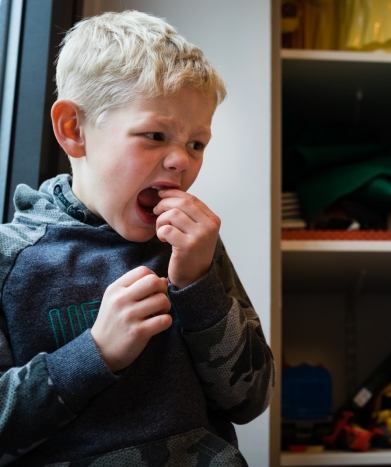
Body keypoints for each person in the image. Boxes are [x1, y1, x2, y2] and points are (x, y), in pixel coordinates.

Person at [0, 10, 274, 465]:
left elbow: (251, 400)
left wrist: (199, 286)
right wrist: (95, 353)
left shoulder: (195, 249)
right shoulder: (11, 260)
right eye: (154, 135)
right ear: (73, 129)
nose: (180, 162)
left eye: (196, 143)